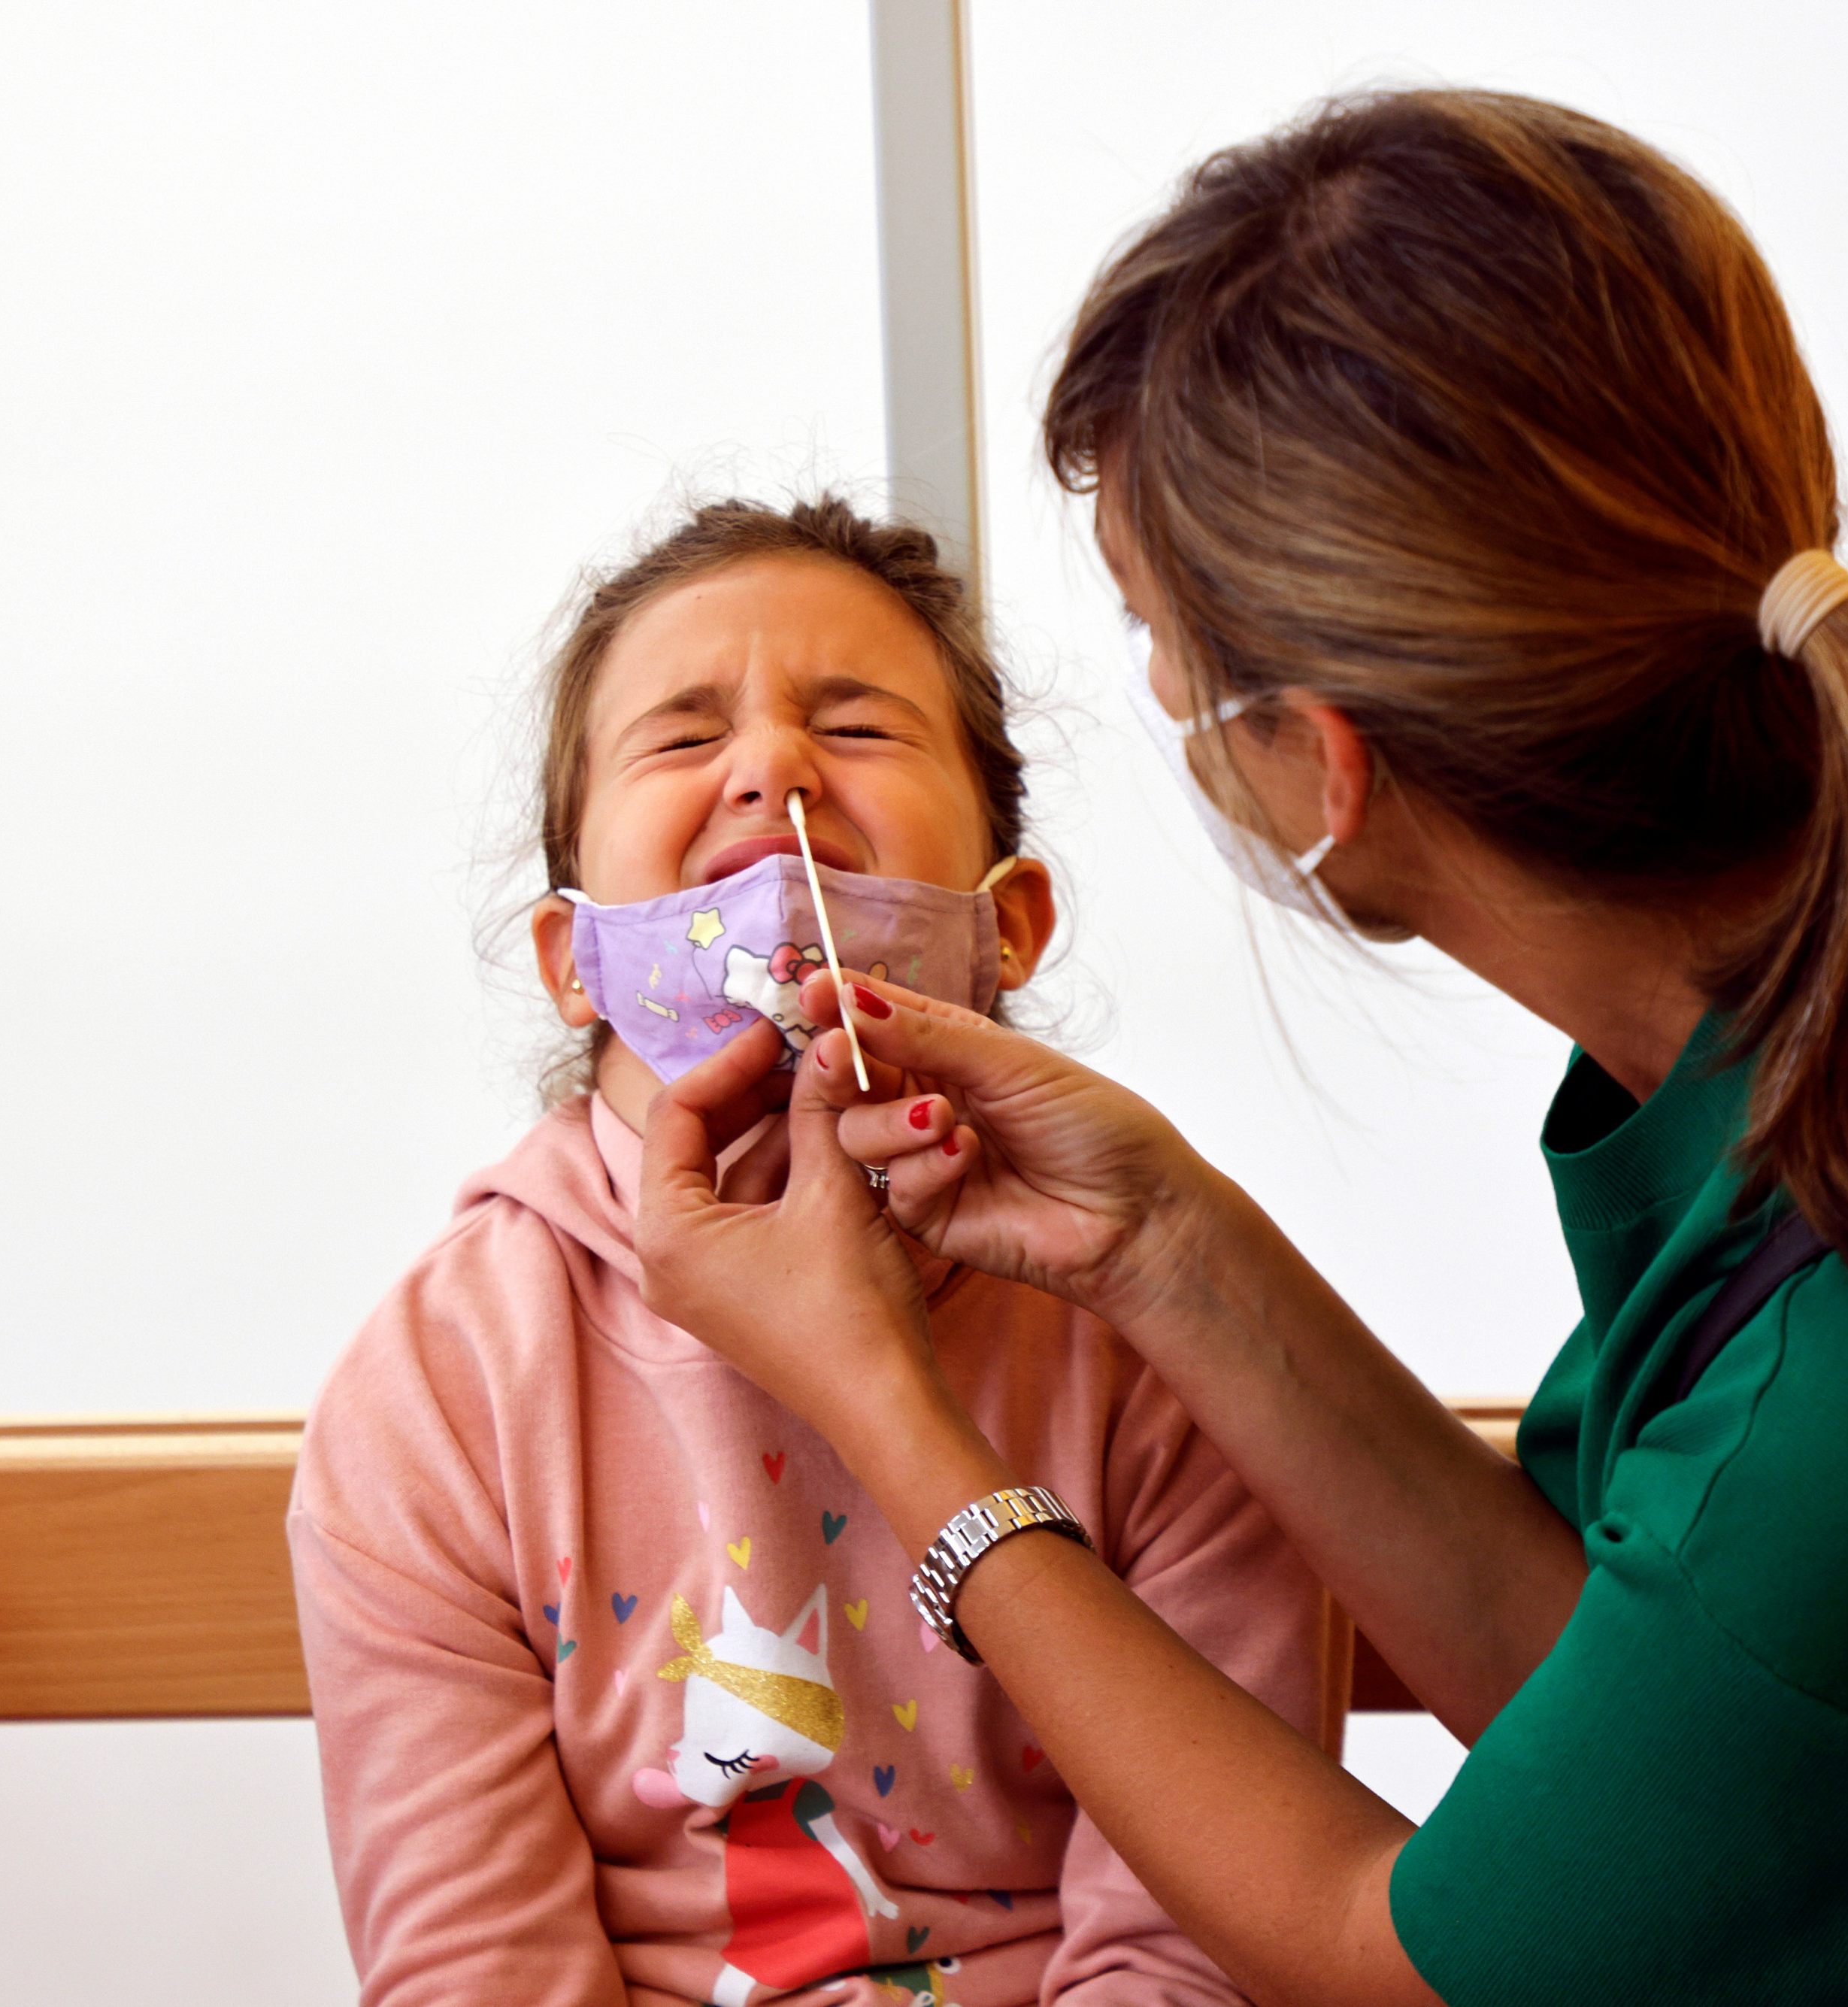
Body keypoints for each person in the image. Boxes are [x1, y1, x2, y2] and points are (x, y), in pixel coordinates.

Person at [631, 89, 1848, 2007]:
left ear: (1318, 764)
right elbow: (1640, 1701)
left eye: (1161, 644)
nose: (765, 778)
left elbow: (1389, 1962)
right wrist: (1170, 1240)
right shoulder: (1817, 1078)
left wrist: (895, 1422)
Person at [288, 496, 1345, 2005]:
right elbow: (474, 1971)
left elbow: (1199, 1946)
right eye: (679, 737)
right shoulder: (443, 1388)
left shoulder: (1152, 1338)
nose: (771, 768)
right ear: (571, 961)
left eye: (855, 730)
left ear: (1011, 927)